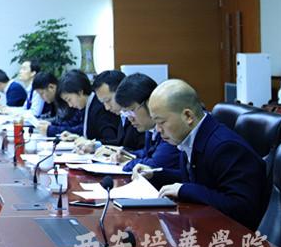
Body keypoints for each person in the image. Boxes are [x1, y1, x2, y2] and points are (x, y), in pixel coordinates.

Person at [134, 79, 269, 231]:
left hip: (234, 236)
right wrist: (157, 174)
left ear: (188, 116)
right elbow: (199, 179)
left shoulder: (225, 147)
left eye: (161, 122)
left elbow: (241, 207)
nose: (158, 130)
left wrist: (185, 190)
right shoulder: (190, 137)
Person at [113, 73, 179, 172]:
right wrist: (129, 155)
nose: (130, 119)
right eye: (126, 113)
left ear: (149, 103)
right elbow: (148, 153)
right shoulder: (151, 128)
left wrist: (129, 163)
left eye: (132, 111)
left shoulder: (168, 127)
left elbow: (155, 163)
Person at [77, 70, 144, 153]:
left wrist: (123, 154)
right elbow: (120, 143)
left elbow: (144, 151)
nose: (107, 108)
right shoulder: (123, 115)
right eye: (103, 103)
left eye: (108, 100)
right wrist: (95, 146)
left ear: (121, 92)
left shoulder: (138, 115)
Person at [34, 72, 82, 136]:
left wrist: (51, 129)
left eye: (42, 93)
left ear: (51, 87)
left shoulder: (65, 98)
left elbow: (72, 124)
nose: (41, 97)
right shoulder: (54, 100)